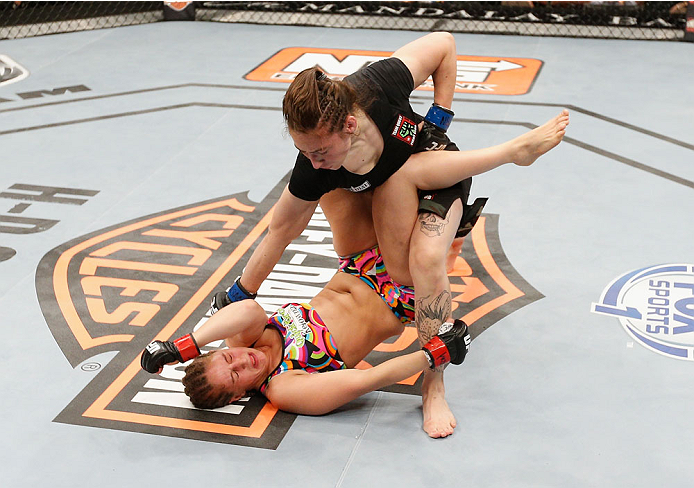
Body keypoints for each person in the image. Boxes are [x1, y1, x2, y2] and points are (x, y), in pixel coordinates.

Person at [210, 31, 569, 437]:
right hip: (386, 212)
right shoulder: (316, 164)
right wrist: (242, 290)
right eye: (303, 151)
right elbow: (282, 228)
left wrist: (440, 115)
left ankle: (434, 389)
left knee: (424, 255)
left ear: (348, 124)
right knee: (329, 191)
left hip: (437, 176)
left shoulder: (376, 86)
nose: (312, 161)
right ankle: (491, 172)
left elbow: (444, 45)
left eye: (320, 151)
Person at [140, 245, 471, 417]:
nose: (241, 362)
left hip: (361, 264)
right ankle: (453, 232)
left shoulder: (245, 337)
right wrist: (436, 352)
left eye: (228, 357)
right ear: (239, 395)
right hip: (400, 298)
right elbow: (366, 380)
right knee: (423, 215)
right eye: (235, 375)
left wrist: (182, 346)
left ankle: (451, 233)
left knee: (336, 179)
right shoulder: (283, 387)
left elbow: (247, 308)